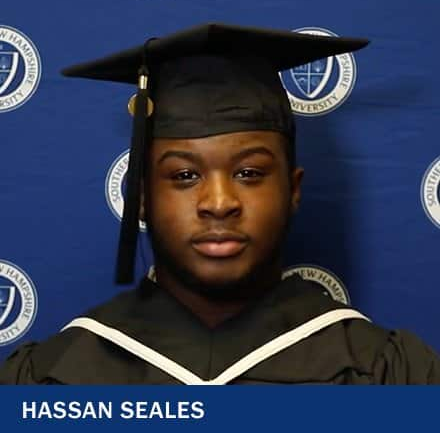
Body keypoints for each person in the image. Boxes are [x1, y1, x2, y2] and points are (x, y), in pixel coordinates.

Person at [0, 23, 439, 384]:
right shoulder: (52, 381)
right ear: (140, 197)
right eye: (184, 176)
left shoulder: (385, 373)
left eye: (249, 173)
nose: (219, 202)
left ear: (293, 190)